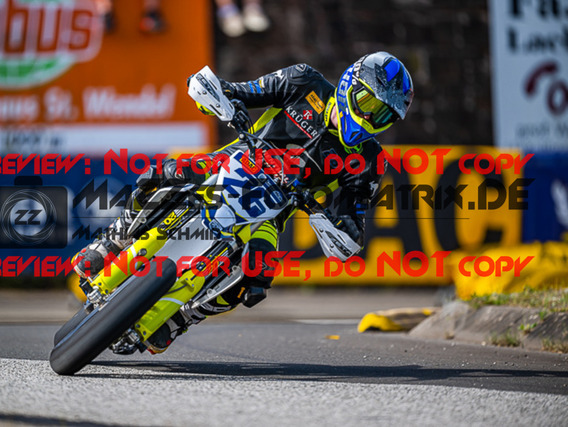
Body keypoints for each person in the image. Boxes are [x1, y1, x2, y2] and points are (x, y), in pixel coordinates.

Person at [73, 52, 414, 353]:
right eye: (369, 104)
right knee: (162, 174)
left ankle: (181, 318)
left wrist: (329, 219)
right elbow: (235, 90)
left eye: (383, 116)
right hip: (230, 162)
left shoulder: (369, 160)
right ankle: (114, 241)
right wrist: (223, 100)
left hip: (272, 213)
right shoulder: (303, 82)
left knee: (257, 277)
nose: (370, 119)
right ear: (350, 84)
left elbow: (353, 225)